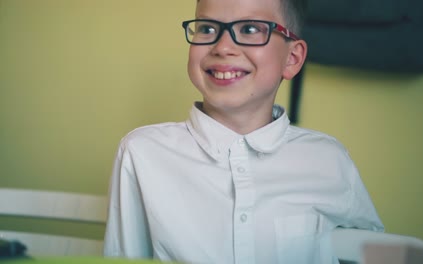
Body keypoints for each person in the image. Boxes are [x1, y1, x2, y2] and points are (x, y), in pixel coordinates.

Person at [103, 0, 384, 263]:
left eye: (249, 29)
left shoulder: (328, 160)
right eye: (208, 29)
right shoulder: (143, 152)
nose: (223, 47)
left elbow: (370, 251)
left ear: (292, 58)